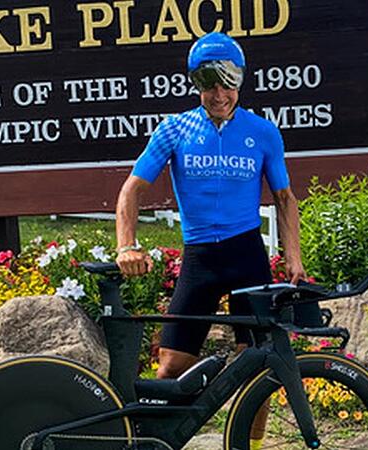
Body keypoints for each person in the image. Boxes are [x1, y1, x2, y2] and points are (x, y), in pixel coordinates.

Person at [115, 32, 308, 449]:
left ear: (240, 80)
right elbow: (132, 188)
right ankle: (154, 440)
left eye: (228, 81)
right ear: (195, 82)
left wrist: (293, 257)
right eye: (209, 82)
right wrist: (126, 245)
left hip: (247, 257)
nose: (219, 93)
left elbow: (284, 197)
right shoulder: (175, 128)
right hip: (200, 259)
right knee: (169, 368)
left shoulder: (263, 132)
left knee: (261, 370)